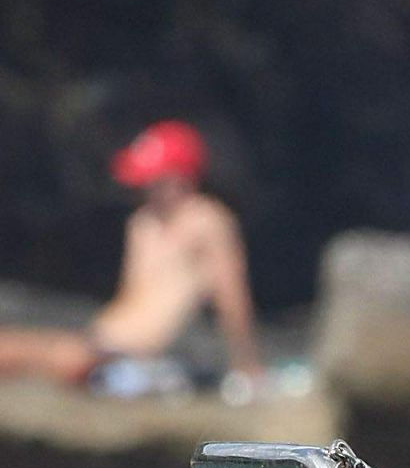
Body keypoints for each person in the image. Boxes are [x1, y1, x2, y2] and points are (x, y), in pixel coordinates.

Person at [0, 119, 262, 391]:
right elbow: (130, 297)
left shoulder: (207, 222)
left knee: (46, 356)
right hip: (104, 339)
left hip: (139, 354)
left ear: (180, 177)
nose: (147, 188)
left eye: (155, 180)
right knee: (12, 348)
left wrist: (247, 365)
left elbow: (232, 297)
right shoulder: (143, 224)